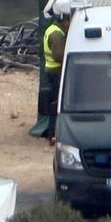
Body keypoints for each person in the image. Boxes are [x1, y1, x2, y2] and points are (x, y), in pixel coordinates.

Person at [41, 13, 71, 143]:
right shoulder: (57, 34)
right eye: (69, 21)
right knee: (57, 103)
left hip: (51, 70)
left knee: (55, 100)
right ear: (63, 21)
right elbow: (59, 56)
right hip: (57, 72)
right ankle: (52, 132)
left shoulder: (52, 30)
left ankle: (51, 131)